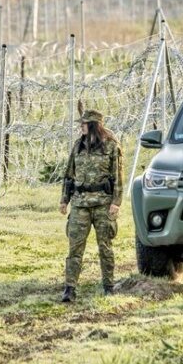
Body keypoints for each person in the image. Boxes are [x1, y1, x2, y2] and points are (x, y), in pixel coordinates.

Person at [59, 105, 123, 303]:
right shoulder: (78, 146)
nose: (81, 127)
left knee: (105, 246)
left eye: (84, 124)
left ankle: (108, 286)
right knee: (75, 248)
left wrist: (116, 202)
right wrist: (64, 199)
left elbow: (118, 177)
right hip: (80, 204)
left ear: (94, 125)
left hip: (103, 203)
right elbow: (69, 175)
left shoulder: (112, 146)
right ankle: (70, 288)